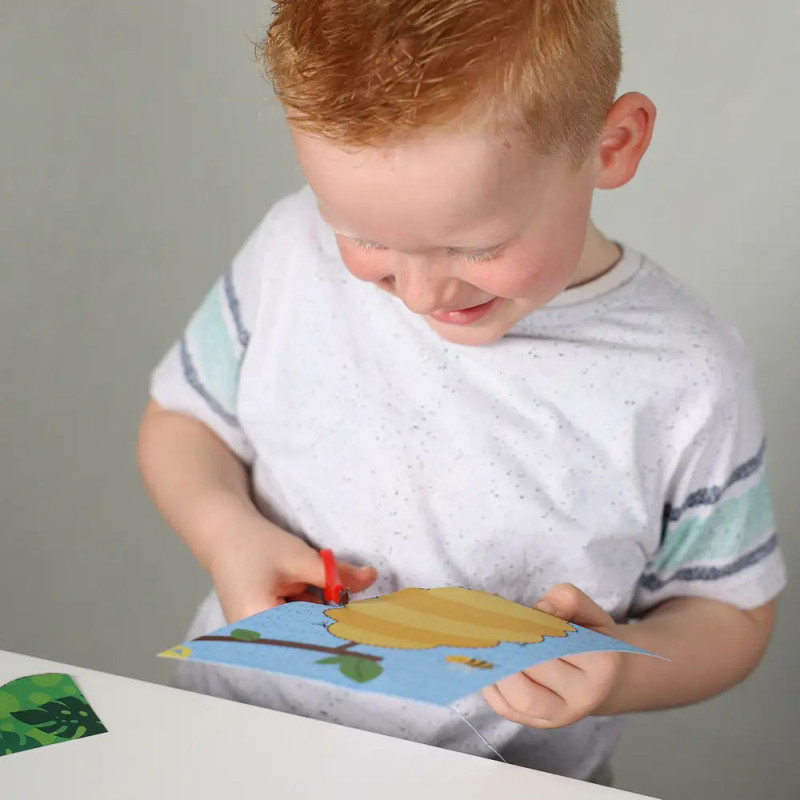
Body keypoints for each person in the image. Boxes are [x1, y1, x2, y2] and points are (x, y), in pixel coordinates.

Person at [137, 0, 785, 784]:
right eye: (366, 238)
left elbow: (731, 614)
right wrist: (225, 534)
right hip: (229, 748)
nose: (415, 291)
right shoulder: (288, 249)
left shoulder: (686, 371)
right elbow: (182, 424)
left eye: (473, 246)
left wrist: (620, 670)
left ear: (612, 146)